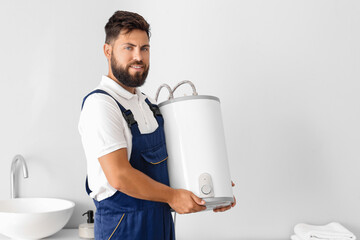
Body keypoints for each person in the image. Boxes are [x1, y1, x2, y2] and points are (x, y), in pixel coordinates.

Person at [78, 10, 236, 240]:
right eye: (128, 47)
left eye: (144, 48)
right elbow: (119, 176)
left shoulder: (148, 104)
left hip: (161, 224)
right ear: (107, 51)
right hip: (123, 228)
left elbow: (170, 168)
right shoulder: (101, 105)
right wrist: (172, 196)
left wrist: (214, 190)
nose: (138, 57)